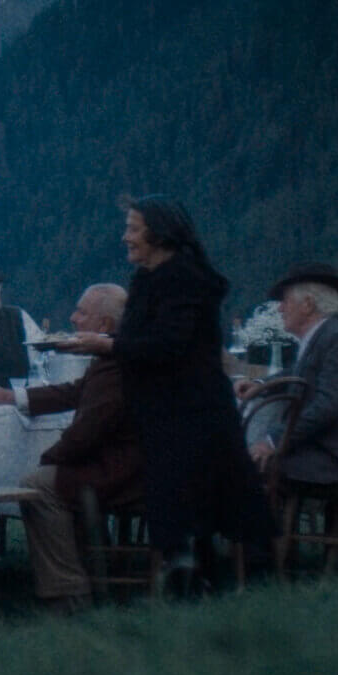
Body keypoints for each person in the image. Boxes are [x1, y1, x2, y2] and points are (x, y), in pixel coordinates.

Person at [50, 197, 273, 592]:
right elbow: (142, 340)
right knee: (185, 509)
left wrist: (107, 347)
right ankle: (196, 583)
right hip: (165, 413)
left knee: (202, 504)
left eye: (133, 229)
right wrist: (111, 343)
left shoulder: (185, 279)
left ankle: (228, 584)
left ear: (159, 234)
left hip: (193, 412)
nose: (126, 238)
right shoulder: (148, 280)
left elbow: (170, 345)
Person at [0, 284, 140, 610]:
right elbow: (75, 392)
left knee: (37, 485)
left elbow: (84, 436)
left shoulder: (115, 369)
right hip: (130, 465)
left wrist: (48, 460)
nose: (73, 317)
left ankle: (67, 591)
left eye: (81, 312)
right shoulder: (113, 360)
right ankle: (90, 570)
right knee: (54, 477)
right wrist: (12, 397)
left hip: (126, 473)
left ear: (105, 326)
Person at [239, 264, 338, 485]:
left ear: (308, 304)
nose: (280, 309)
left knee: (244, 464)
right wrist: (259, 383)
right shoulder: (325, 336)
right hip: (326, 449)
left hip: (336, 457)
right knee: (243, 460)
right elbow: (298, 373)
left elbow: (329, 405)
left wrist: (273, 441)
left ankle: (264, 519)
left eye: (285, 301)